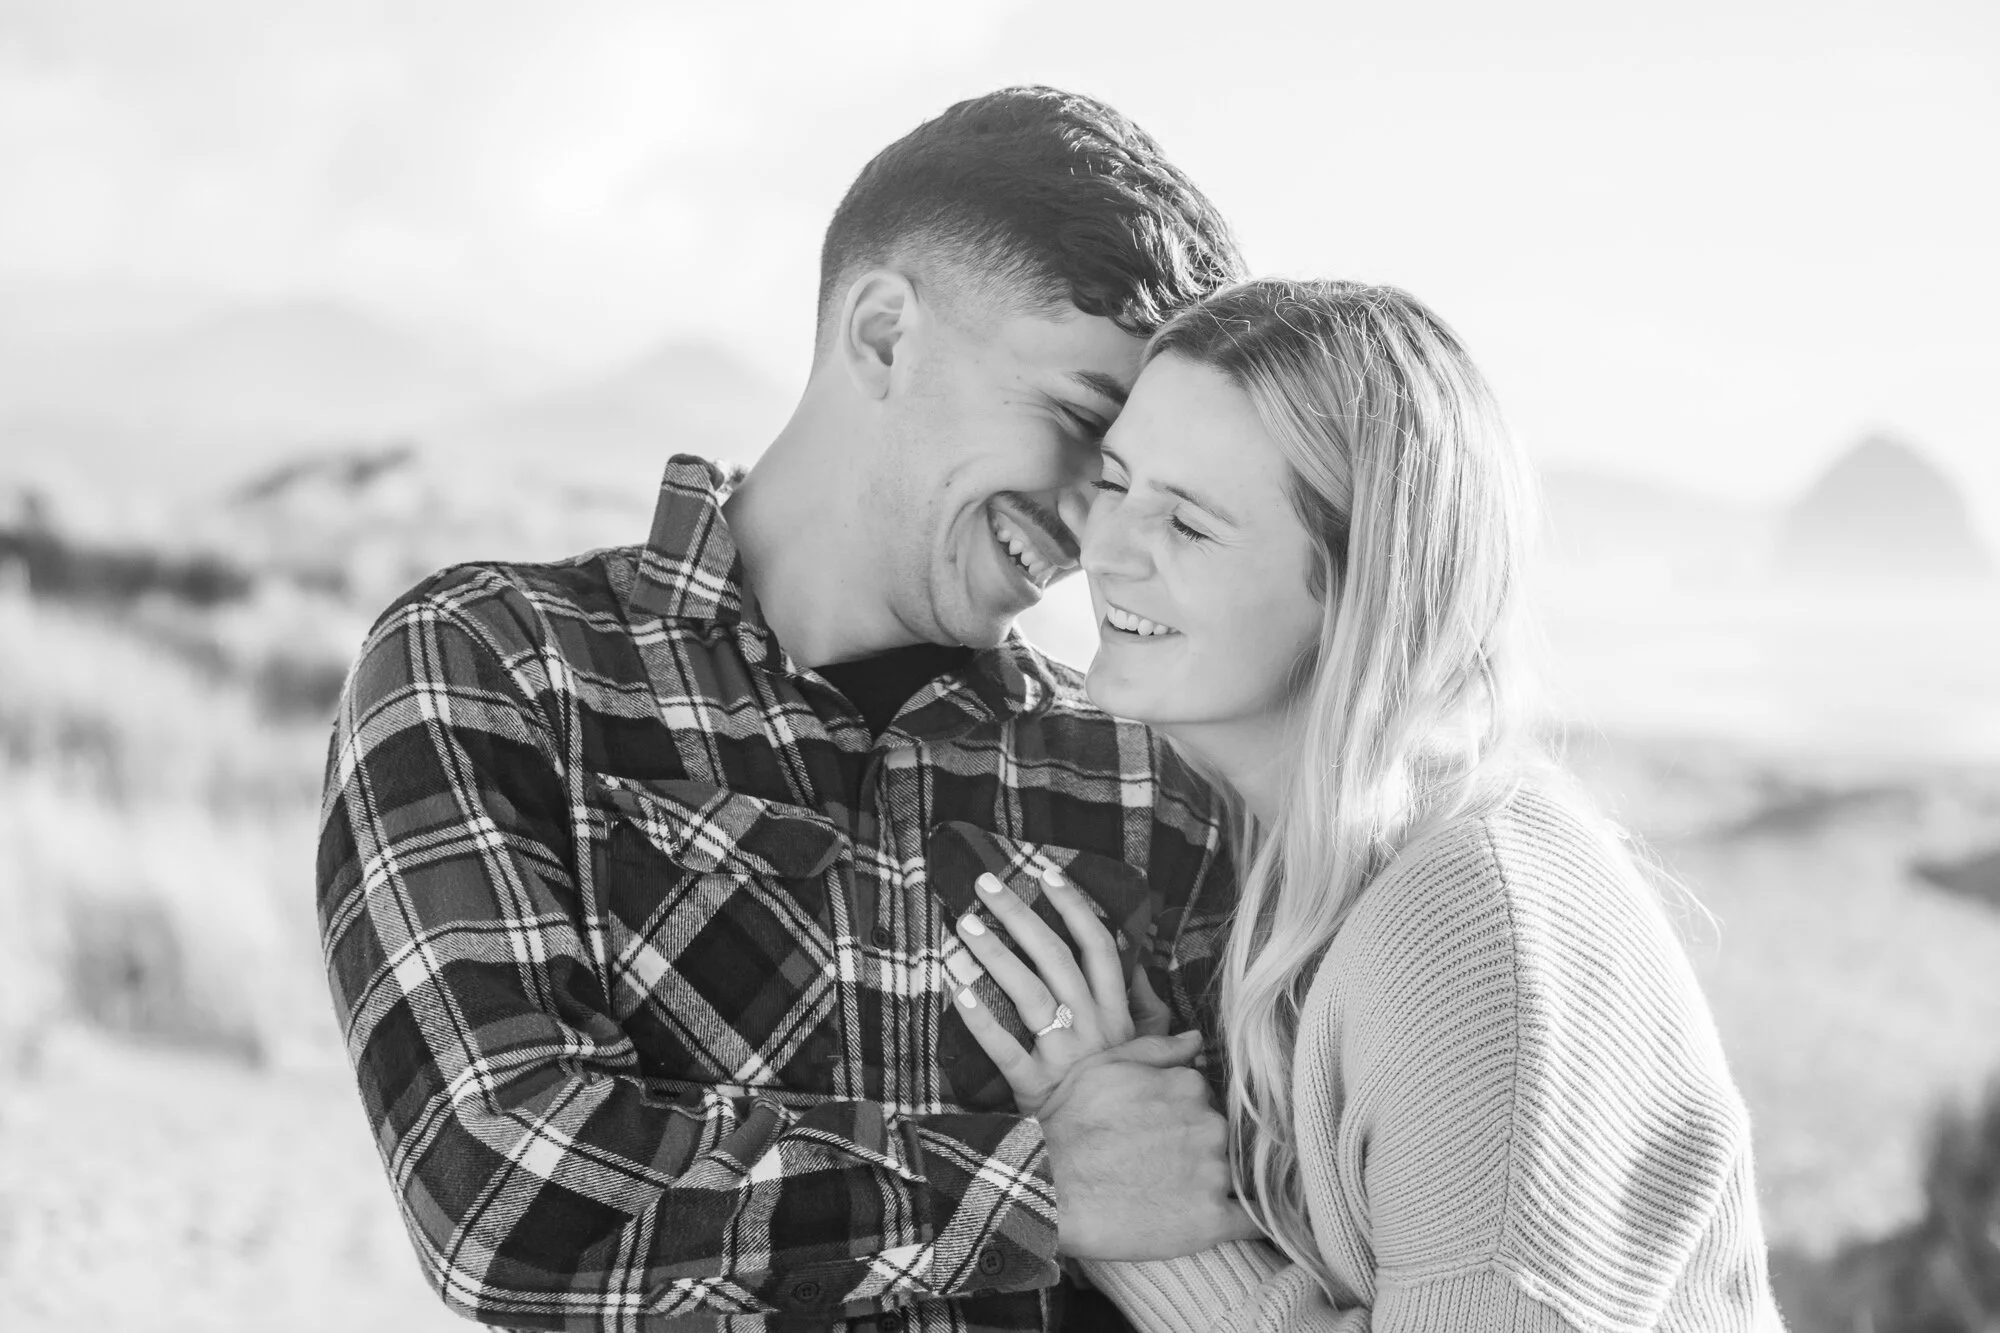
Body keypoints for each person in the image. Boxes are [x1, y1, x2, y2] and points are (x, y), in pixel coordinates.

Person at [315, 87, 1253, 1332]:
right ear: (882, 335)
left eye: (1133, 472)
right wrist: (1043, 1184)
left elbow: (1246, 1204)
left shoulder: (1155, 780)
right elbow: (504, 1198)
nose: (1099, 523)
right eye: (1082, 423)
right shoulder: (495, 667)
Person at [947, 279, 1785, 1331]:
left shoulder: (1469, 930)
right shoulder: (1306, 866)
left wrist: (1161, 1232)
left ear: (1358, 591)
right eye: (1115, 481)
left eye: (1189, 524)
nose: (1104, 548)